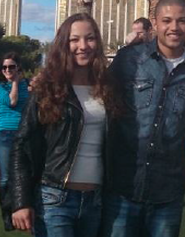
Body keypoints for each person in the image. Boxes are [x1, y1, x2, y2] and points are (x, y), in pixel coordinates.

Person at [101, 0, 185, 237]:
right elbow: (98, 95)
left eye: (181, 21)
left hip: (167, 190)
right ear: (155, 23)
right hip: (123, 185)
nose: (174, 27)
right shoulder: (129, 59)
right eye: (167, 20)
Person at [10, 13, 121, 237]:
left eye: (90, 38)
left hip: (95, 200)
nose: (83, 46)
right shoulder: (47, 89)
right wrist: (21, 201)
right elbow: (21, 144)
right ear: (64, 44)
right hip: (54, 198)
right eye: (74, 39)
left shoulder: (107, 88)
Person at [0, 52, 30, 231]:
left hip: (24, 133)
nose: (7, 70)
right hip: (5, 134)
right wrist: (15, 82)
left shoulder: (26, 85)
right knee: (6, 177)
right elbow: (12, 102)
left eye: (11, 67)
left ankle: (22, 209)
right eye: (4, 67)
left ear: (18, 67)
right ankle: (7, 216)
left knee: (25, 173)